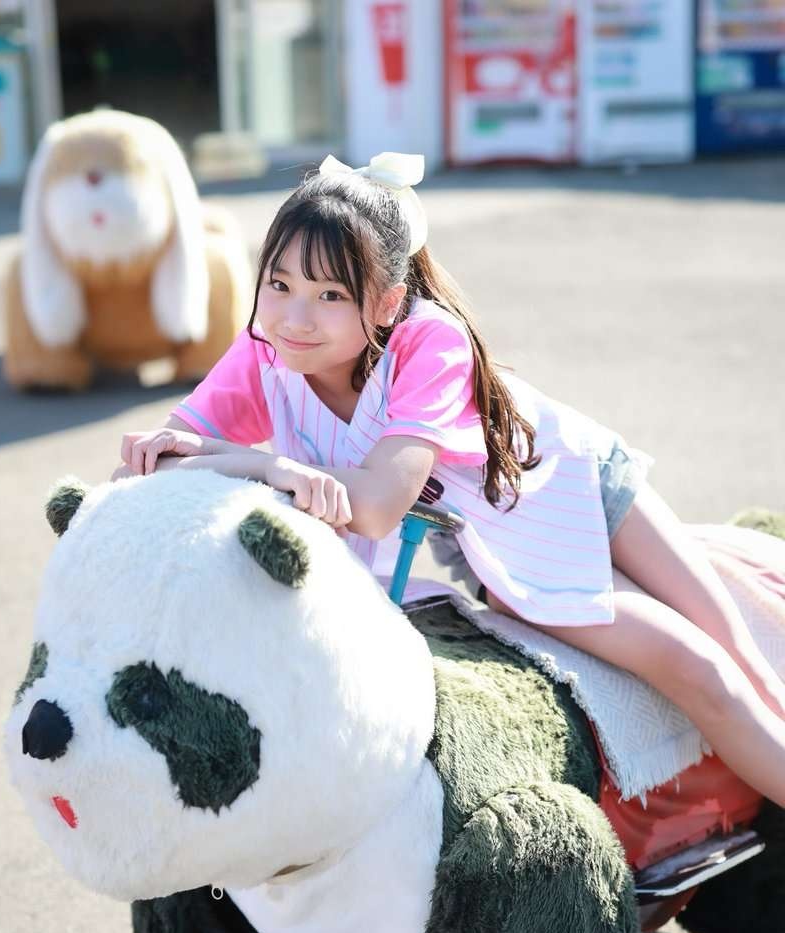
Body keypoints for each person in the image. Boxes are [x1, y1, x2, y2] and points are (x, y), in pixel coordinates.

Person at [116, 151, 785, 807]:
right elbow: (148, 468)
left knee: (740, 657)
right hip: (510, 554)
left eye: (331, 295)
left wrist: (257, 464)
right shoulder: (265, 351)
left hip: (583, 481)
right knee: (702, 674)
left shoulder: (428, 340)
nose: (295, 316)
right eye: (279, 284)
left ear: (387, 303)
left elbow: (376, 504)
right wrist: (262, 463)